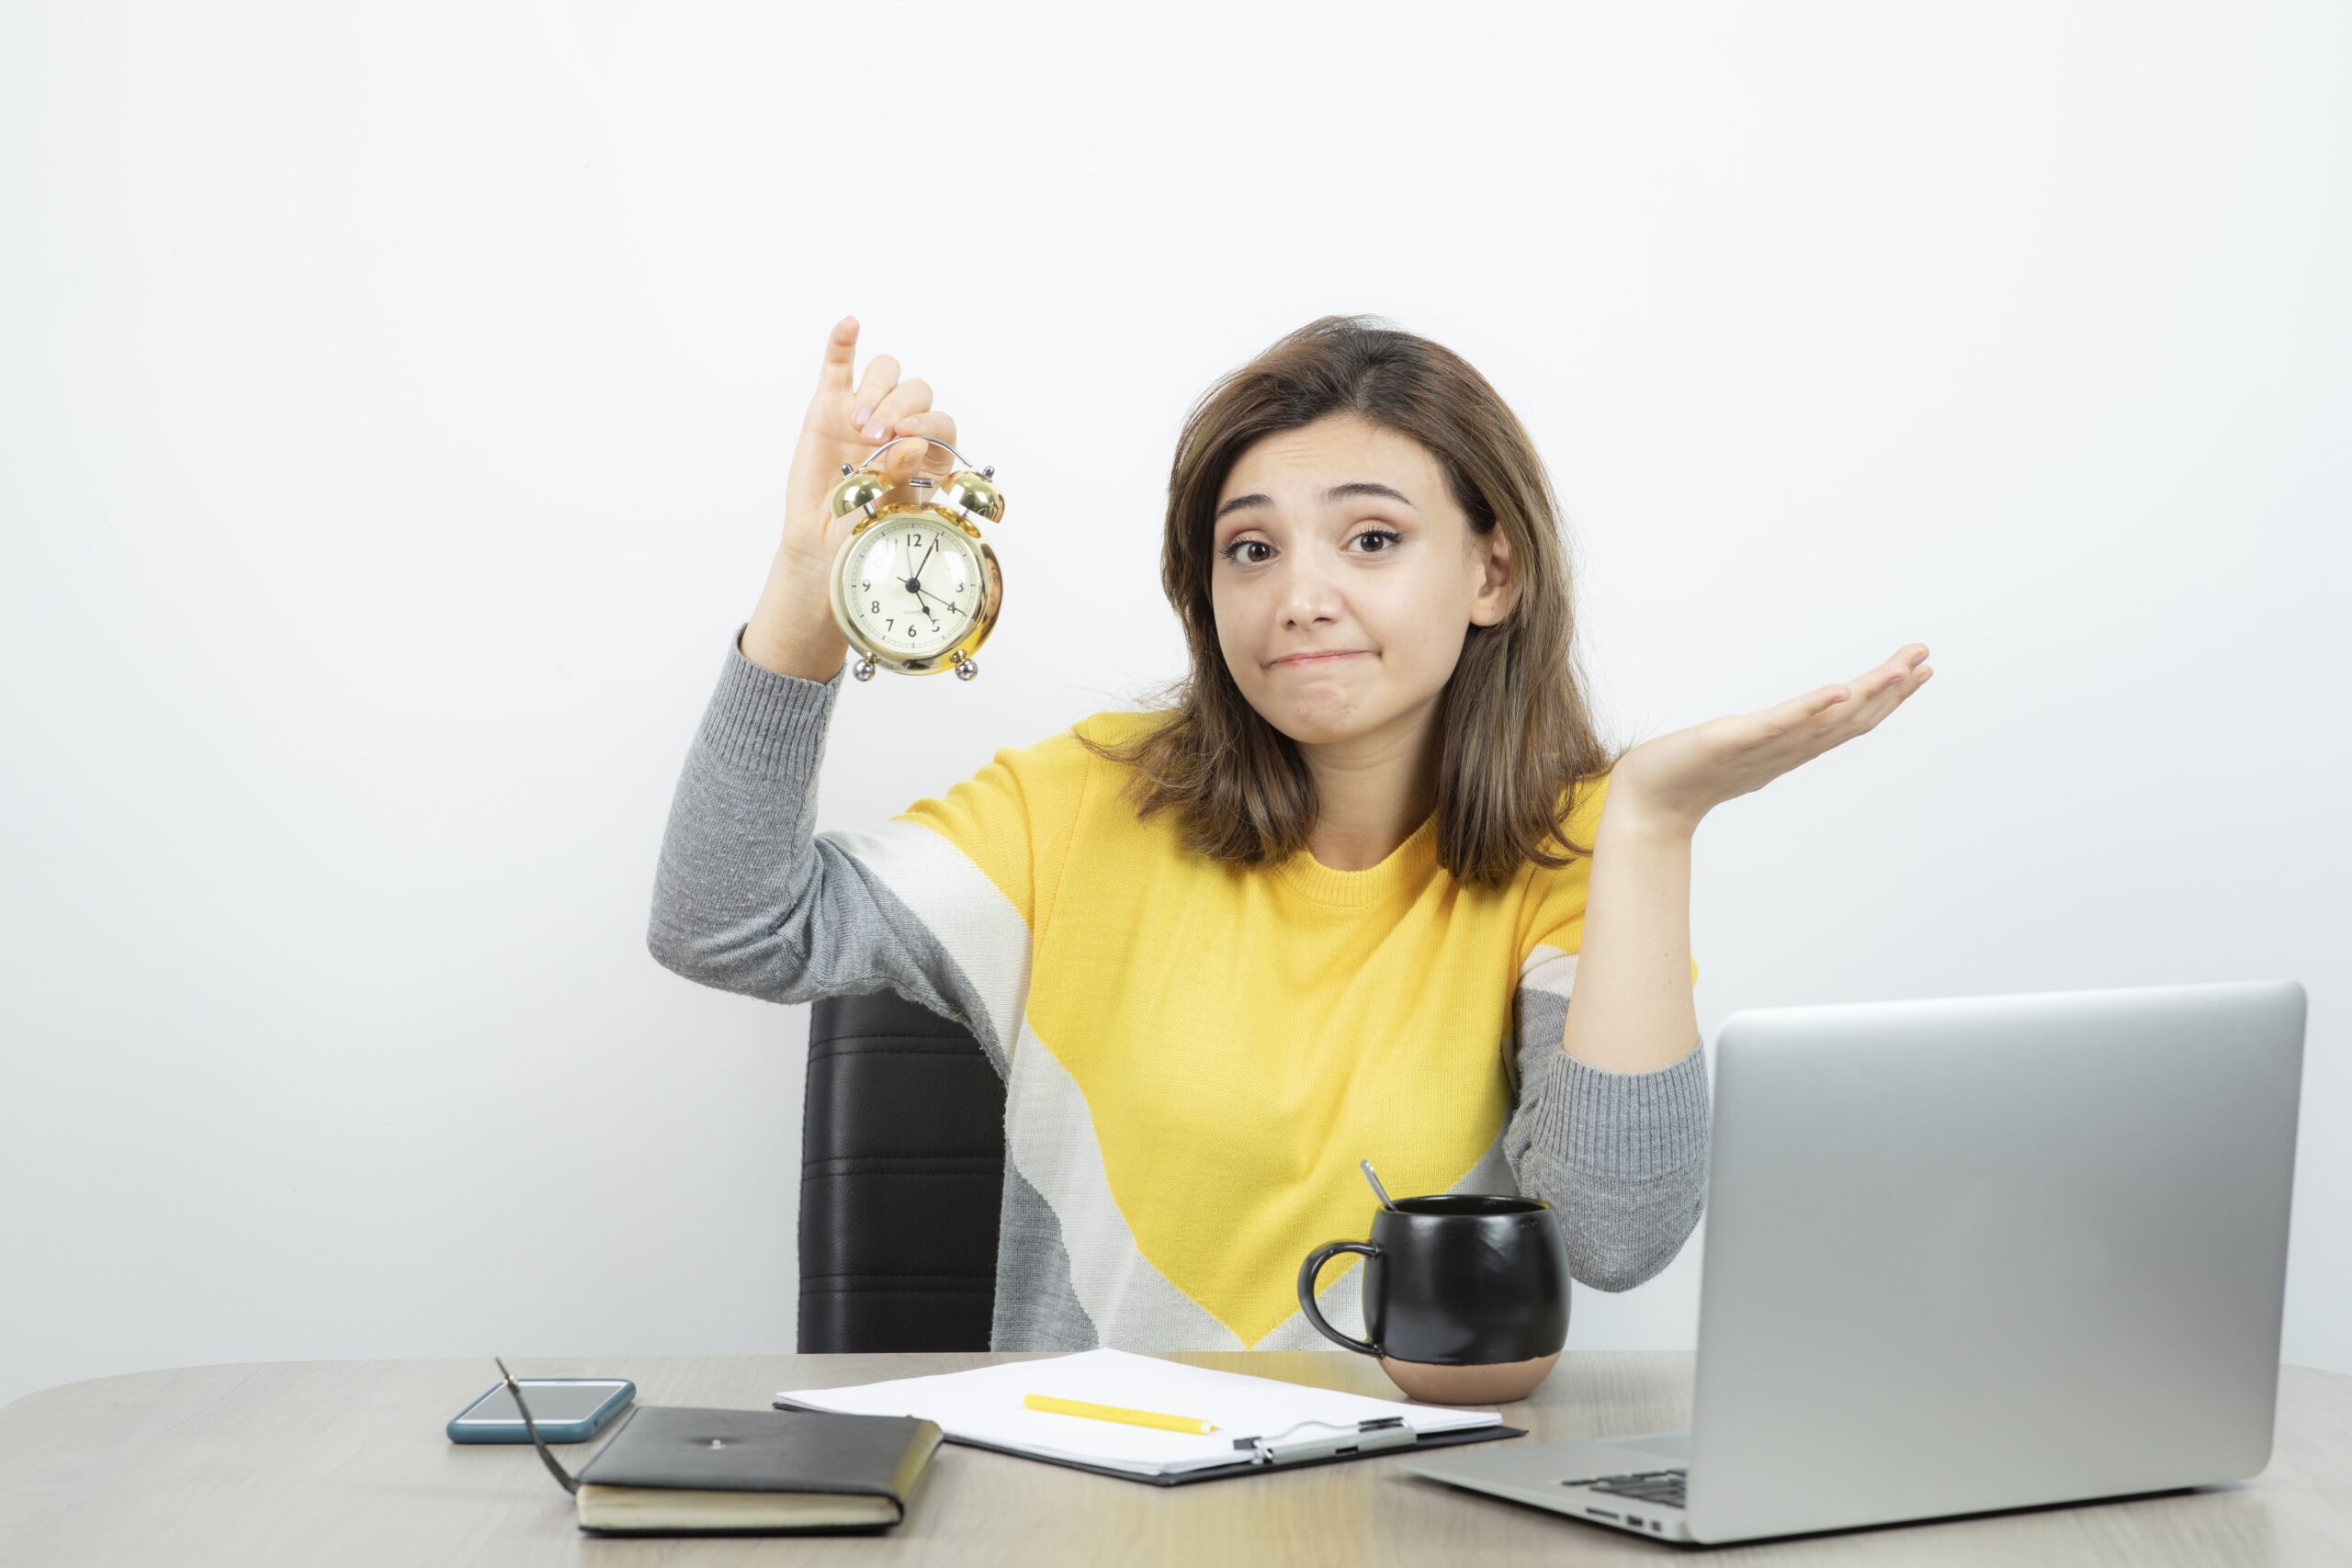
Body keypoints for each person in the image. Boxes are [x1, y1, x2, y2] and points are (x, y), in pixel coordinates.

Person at [647, 313, 1933, 1352]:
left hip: (1411, 1512)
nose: (1301, 596)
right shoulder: (1083, 801)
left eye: (1372, 538)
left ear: (1494, 572)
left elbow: (1614, 1236)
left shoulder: (1573, 851)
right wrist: (810, 595)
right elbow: (728, 924)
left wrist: (1653, 823)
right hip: (1084, 1509)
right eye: (1249, 550)